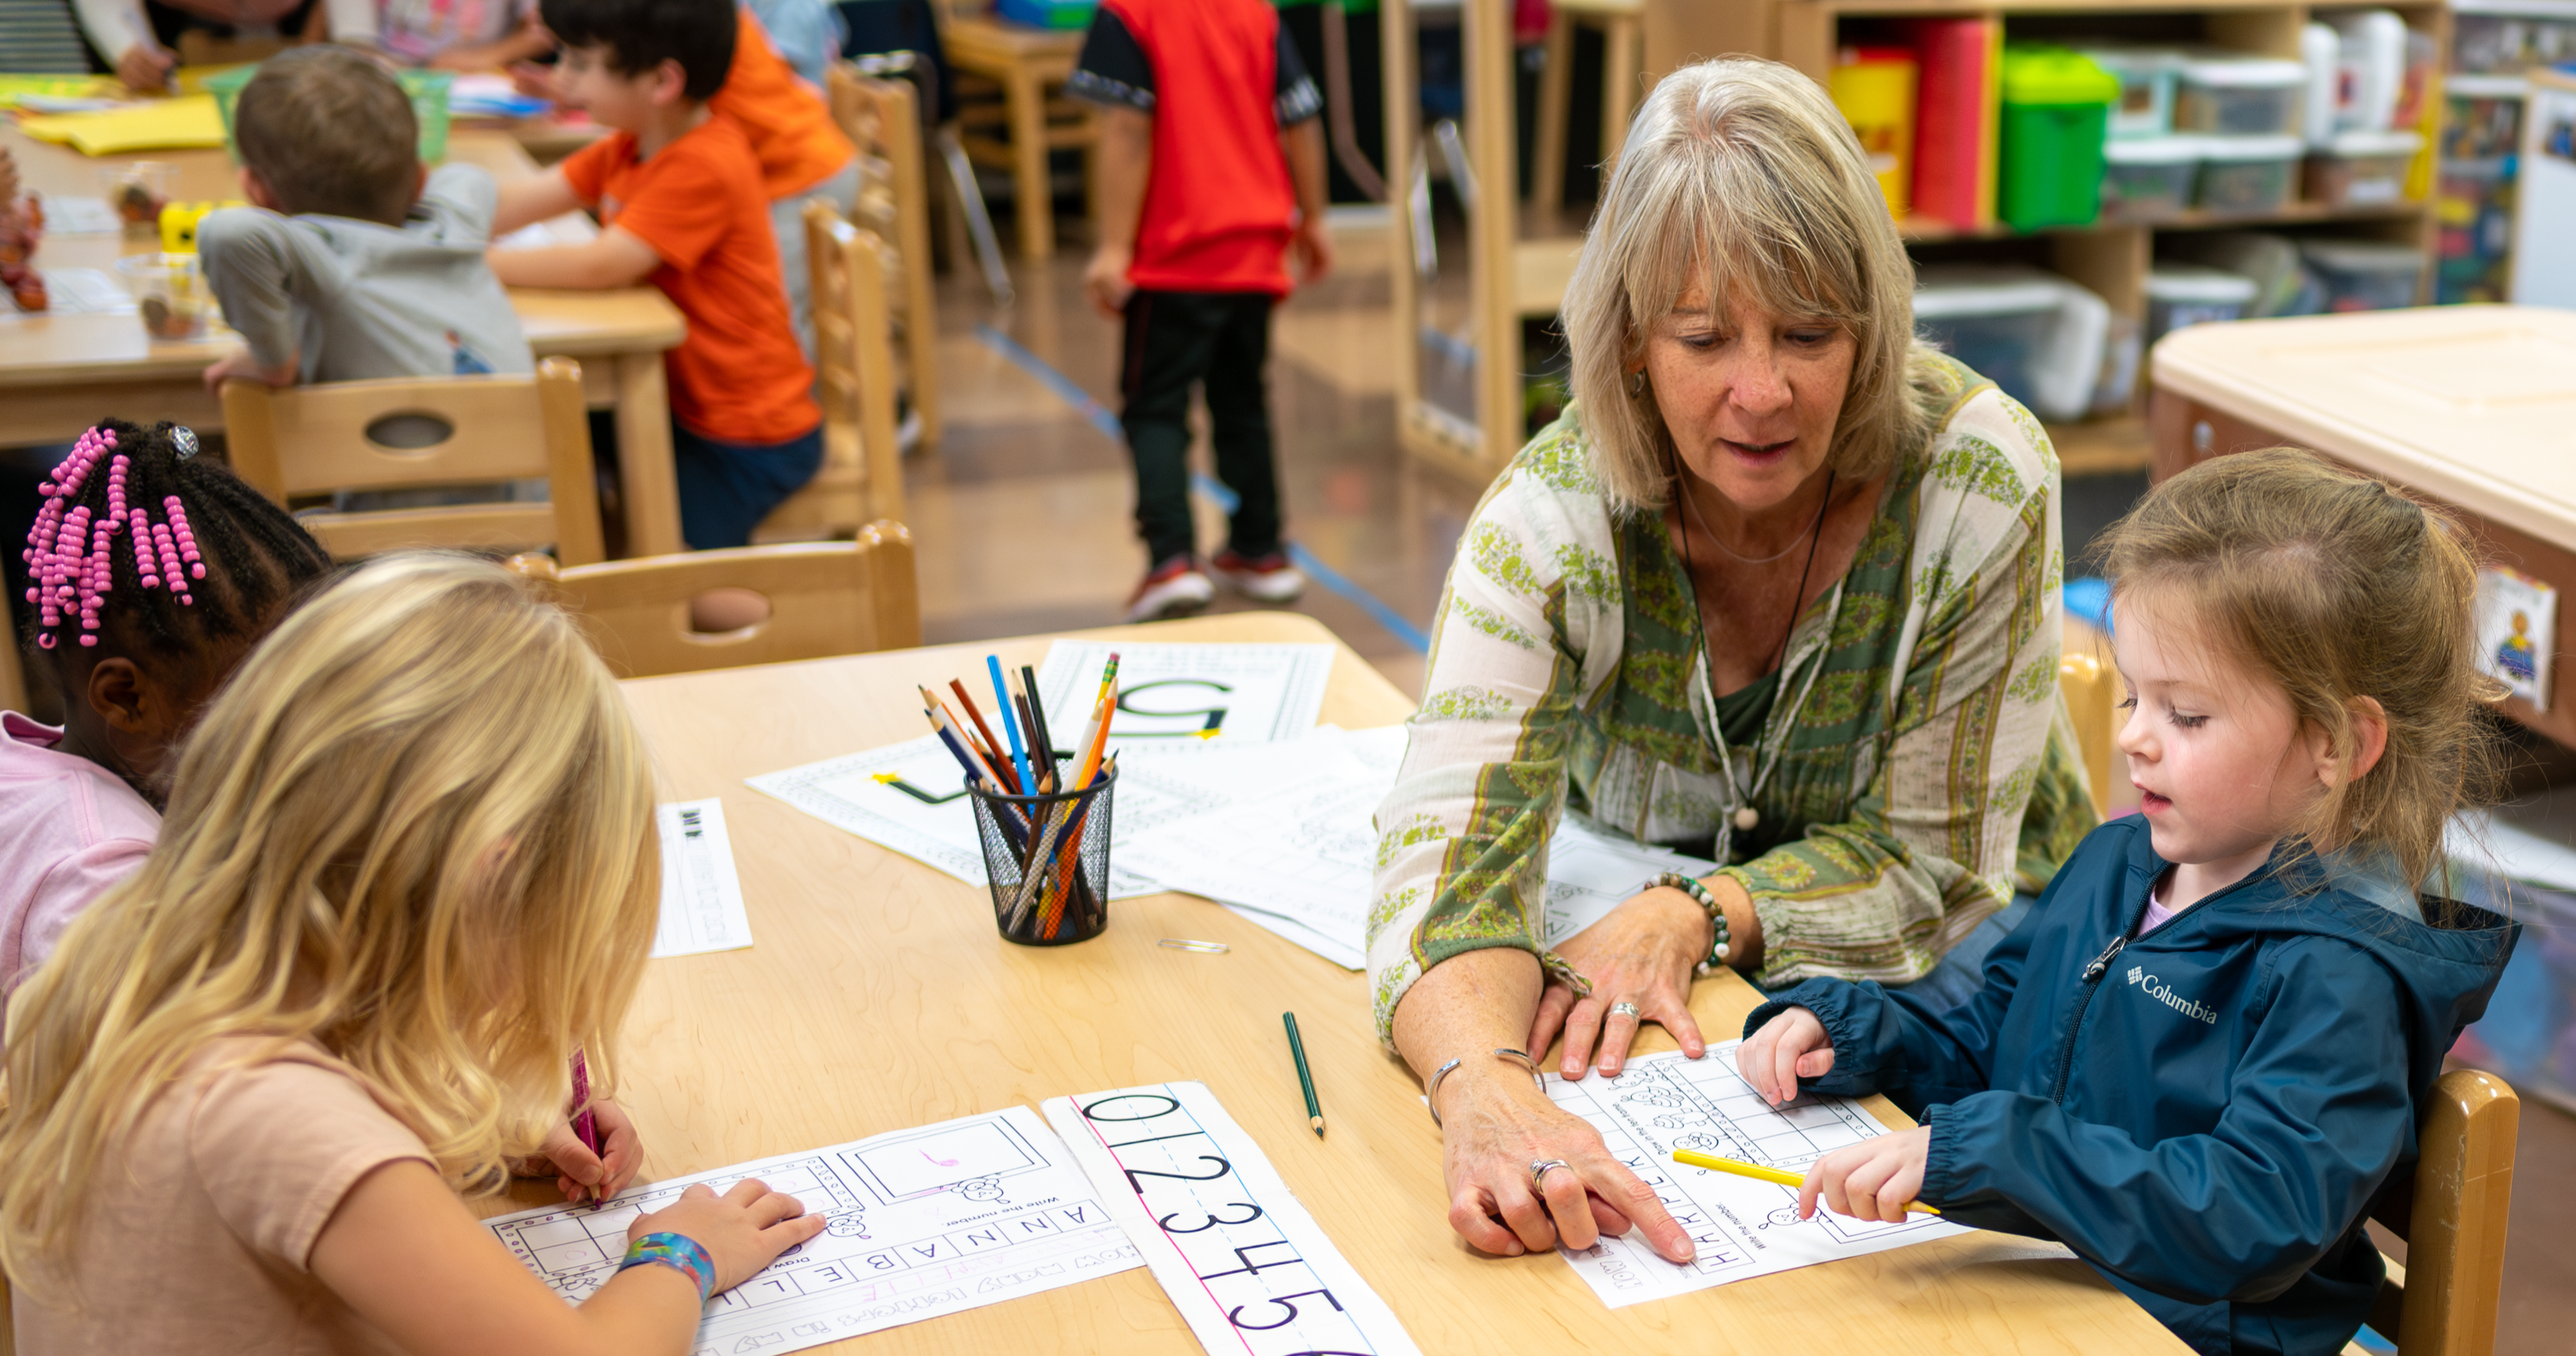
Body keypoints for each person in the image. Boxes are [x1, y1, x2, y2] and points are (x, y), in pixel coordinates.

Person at [1370, 55, 2096, 1266]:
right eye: (1704, 338)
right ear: (1632, 346)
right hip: (1682, 1028)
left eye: (1810, 334)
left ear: (1872, 328)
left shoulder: (1977, 476)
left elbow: (1936, 862)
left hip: (1977, 1000)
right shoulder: (1550, 525)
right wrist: (1484, 1093)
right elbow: (1450, 882)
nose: (1761, 394)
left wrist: (1699, 909)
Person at [1736, 448, 2519, 1356]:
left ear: (2336, 744)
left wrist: (2003, 1153)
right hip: (2042, 1287)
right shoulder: (2122, 860)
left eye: (2186, 715)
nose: (2136, 737)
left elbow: (2256, 1215)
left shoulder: (2341, 970)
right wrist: (1866, 1034)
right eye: (2136, 694)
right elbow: (1996, 1040)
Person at [0, 552, 825, 1352]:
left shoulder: (144, 962)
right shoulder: (279, 1111)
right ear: (486, 879)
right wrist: (680, 1250)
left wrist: (477, 1121)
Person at [1, 419, 331, 1001]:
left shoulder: (27, 762)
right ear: (127, 699)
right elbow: (149, 1075)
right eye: (264, 696)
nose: (298, 720)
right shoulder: (106, 874)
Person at [489, 0, 822, 552]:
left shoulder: (704, 161)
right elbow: (522, 202)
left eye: (579, 64)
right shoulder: (631, 144)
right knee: (560, 436)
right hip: (683, 407)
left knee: (688, 586)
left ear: (662, 81)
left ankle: (833, 608)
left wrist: (479, 260)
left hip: (745, 432)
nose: (562, 79)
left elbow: (603, 265)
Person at [1069, 0, 1333, 622]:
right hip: (1253, 251)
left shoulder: (1132, 14)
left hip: (1172, 259)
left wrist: (1113, 246)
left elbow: (1128, 129)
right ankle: (1261, 549)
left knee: (1155, 406)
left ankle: (1171, 560)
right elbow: (1302, 119)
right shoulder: (1257, 14)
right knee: (1243, 401)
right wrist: (1314, 218)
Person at [198, 44, 533, 390]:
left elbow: (228, 233)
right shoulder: (456, 226)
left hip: (383, 445)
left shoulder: (327, 262)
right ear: (420, 181)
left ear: (256, 192)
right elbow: (468, 177)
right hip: (532, 442)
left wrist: (273, 360)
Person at [328, 0, 553, 70]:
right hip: (385, 75)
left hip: (479, 84)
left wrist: (484, 56)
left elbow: (547, 29)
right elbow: (355, 43)